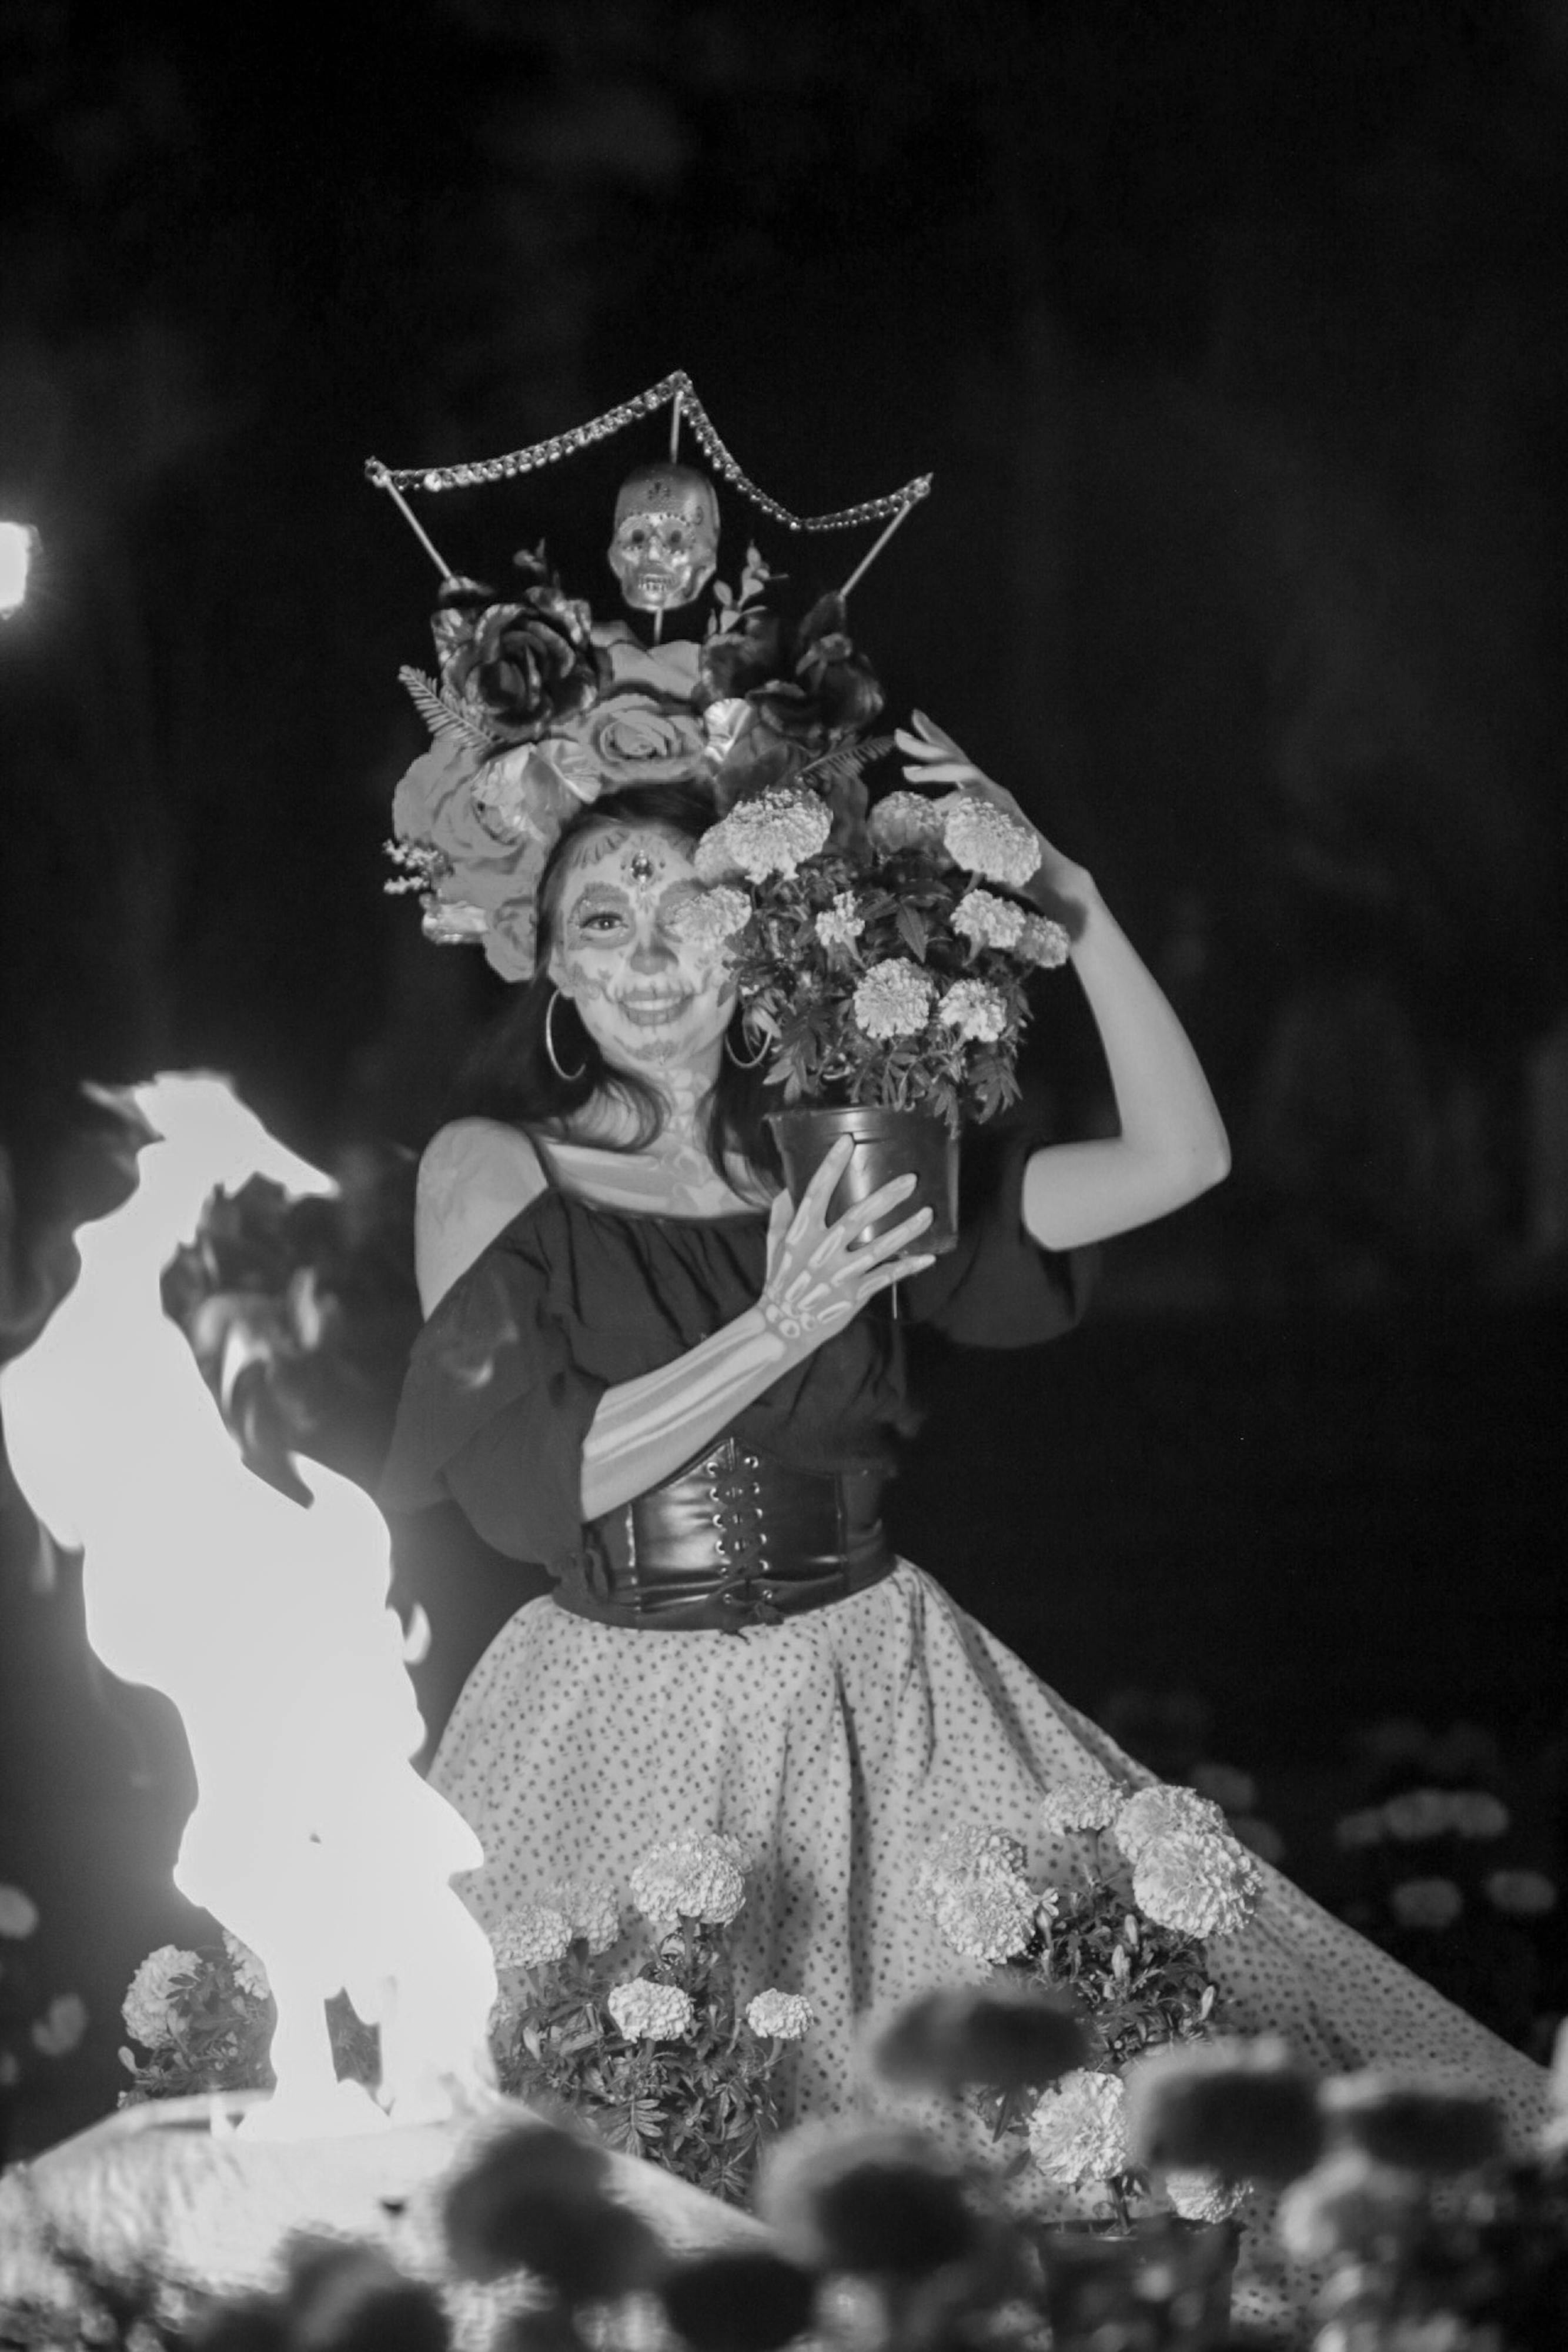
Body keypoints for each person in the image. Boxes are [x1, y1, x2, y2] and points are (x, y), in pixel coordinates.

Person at [382, 722, 1548, 2319]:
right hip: (615, 1702)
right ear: (554, 981)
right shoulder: (491, 1167)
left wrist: (1073, 903)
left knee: (1020, 2135)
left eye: (690, 920)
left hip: (880, 1694)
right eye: (604, 925)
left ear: (761, 954)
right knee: (614, 2173)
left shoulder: (850, 1167)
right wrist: (776, 1330)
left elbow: (1181, 1159)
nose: (650, 959)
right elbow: (525, 1482)